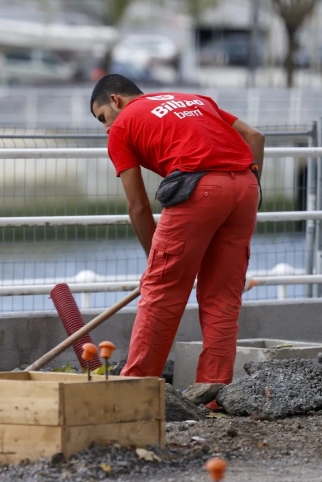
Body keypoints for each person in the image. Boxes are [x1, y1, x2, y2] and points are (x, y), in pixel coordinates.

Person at [89, 74, 265, 405]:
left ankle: (136, 393)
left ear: (115, 100)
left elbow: (138, 206)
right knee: (222, 297)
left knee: (161, 293)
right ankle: (214, 396)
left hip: (198, 190)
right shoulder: (197, 99)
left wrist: (155, 264)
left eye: (102, 118)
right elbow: (255, 137)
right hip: (245, 188)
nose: (105, 128)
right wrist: (251, 186)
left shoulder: (124, 124)